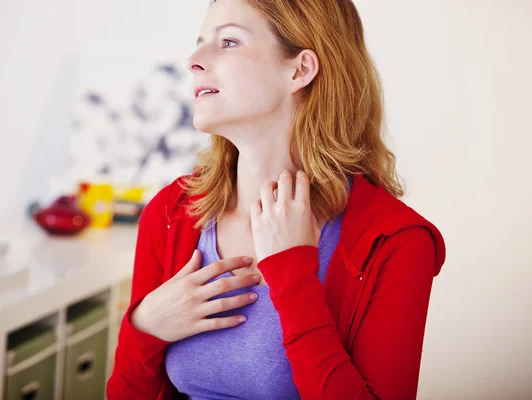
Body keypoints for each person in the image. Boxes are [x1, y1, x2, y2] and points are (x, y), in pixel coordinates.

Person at [107, 0, 446, 399]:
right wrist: (145, 326)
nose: (194, 60)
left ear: (300, 69)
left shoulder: (396, 242)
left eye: (228, 42)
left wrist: (292, 274)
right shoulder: (170, 212)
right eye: (199, 43)